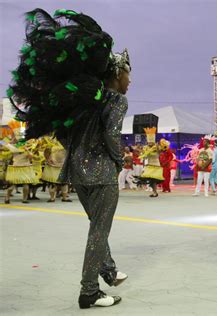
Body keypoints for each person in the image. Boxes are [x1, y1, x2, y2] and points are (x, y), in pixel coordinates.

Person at [8, 9, 129, 308]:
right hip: (101, 173)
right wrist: (120, 161)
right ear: (117, 74)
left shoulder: (83, 100)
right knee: (99, 230)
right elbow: (113, 137)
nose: (130, 81)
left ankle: (109, 271)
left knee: (95, 225)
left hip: (76, 172)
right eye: (128, 74)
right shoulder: (116, 101)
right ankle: (89, 291)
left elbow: (63, 135)